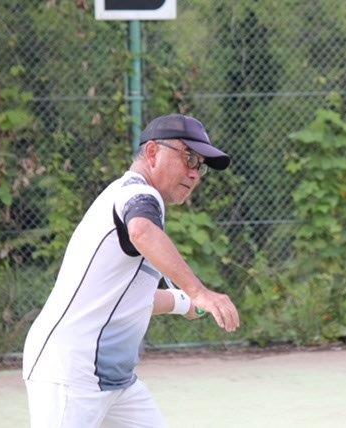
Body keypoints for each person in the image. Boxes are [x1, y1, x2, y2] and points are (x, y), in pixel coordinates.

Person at [22, 113, 240, 427]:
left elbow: (130, 298)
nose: (195, 173)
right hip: (70, 373)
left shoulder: (138, 204)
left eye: (200, 165)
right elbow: (141, 232)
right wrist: (199, 292)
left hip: (116, 383)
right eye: (189, 158)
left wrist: (185, 303)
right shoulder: (138, 195)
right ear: (152, 152)